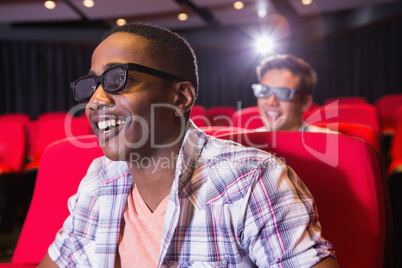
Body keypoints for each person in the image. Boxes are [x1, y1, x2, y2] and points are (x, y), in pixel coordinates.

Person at [38, 23, 339, 267]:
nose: (95, 101)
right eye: (92, 86)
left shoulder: (251, 179)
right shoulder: (99, 179)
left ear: (180, 97)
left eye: (119, 79)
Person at [253, 54, 329, 132]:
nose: (271, 101)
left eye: (284, 93)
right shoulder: (246, 140)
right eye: (264, 90)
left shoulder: (328, 141)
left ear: (305, 102)